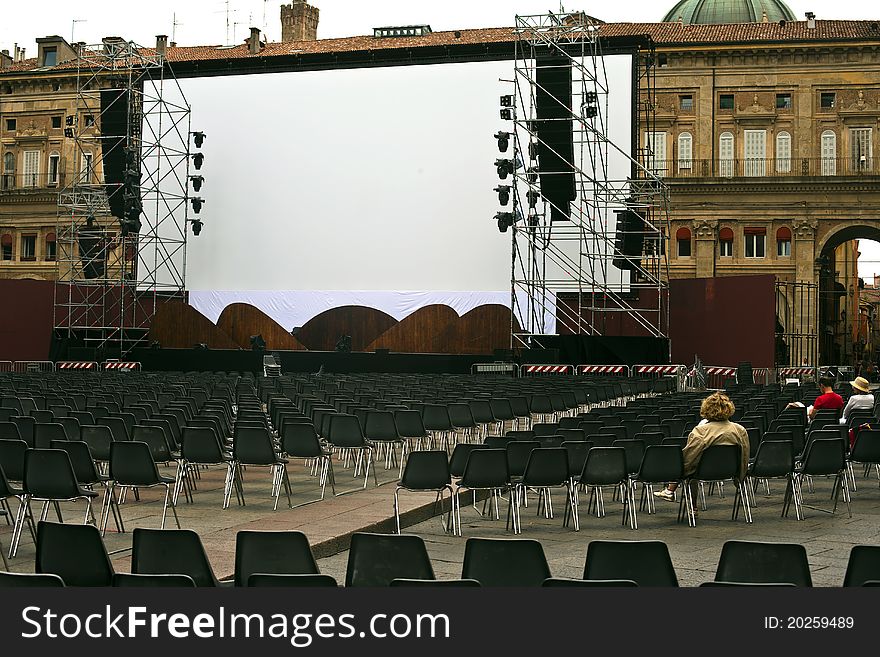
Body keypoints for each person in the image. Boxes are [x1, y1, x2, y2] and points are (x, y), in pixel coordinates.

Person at [654, 392, 750, 503]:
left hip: (703, 473)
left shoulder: (700, 431)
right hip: (731, 471)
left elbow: (689, 458)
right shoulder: (740, 430)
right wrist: (740, 476)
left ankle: (692, 506)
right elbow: (744, 455)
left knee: (691, 468)